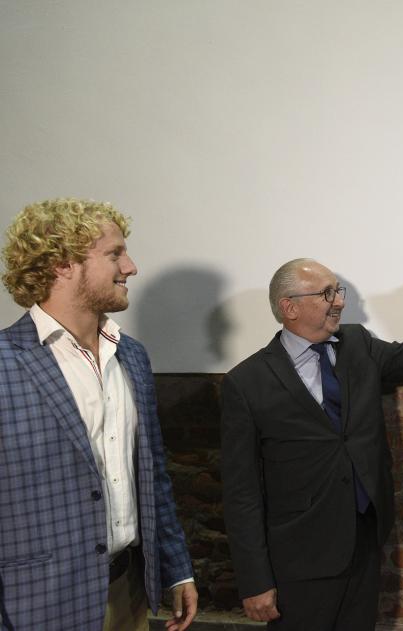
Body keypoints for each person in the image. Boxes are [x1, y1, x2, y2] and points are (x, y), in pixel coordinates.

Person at [221, 258, 403, 631]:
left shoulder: (359, 345)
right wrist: (255, 581)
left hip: (362, 544)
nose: (339, 302)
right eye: (326, 293)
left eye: (338, 291)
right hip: (298, 562)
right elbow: (241, 493)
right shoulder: (246, 383)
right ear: (290, 307)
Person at [0, 198, 197, 631]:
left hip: (128, 593)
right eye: (114, 254)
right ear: (63, 263)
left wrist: (176, 567)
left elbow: (151, 473)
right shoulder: (4, 362)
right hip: (36, 604)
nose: (131, 267)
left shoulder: (132, 356)